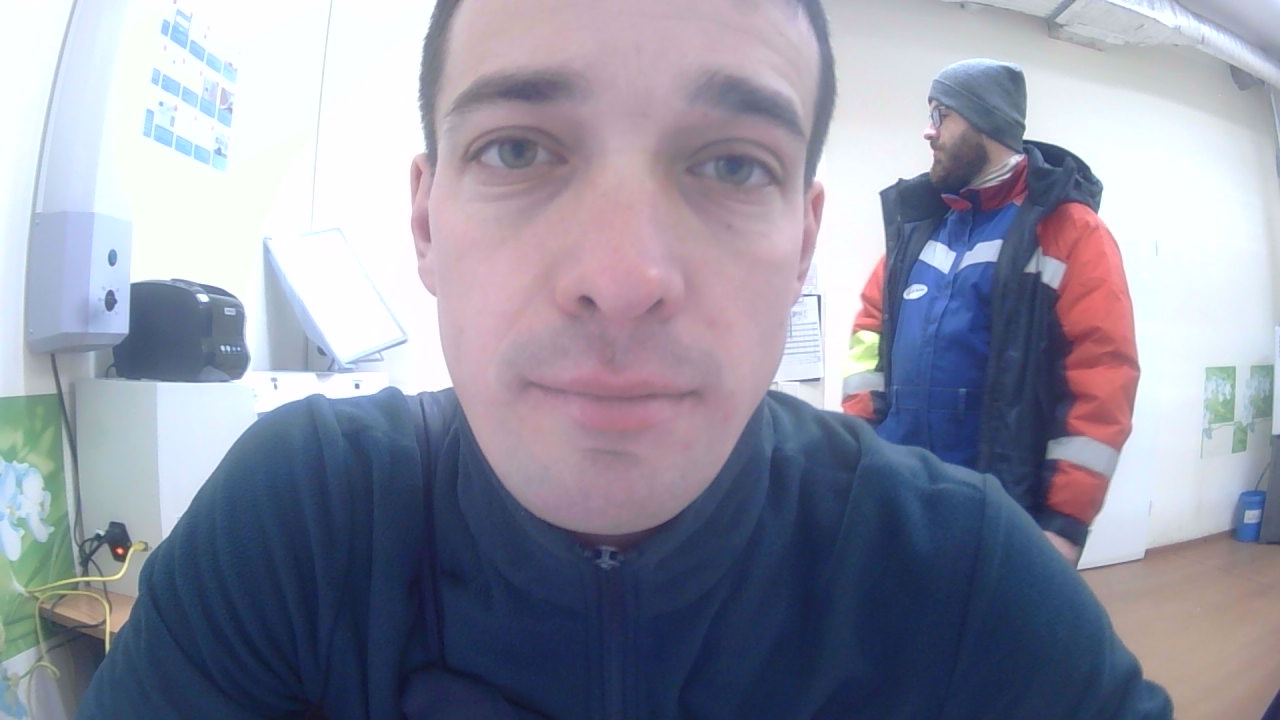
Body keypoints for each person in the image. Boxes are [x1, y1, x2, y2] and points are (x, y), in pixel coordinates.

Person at [79, 3, 1170, 718]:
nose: (622, 276)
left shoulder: (963, 576)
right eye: (517, 148)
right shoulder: (300, 522)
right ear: (425, 221)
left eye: (732, 165)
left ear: (801, 243)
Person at [841, 58, 1139, 566]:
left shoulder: (1069, 231)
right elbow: (869, 336)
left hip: (1003, 511)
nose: (928, 131)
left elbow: (1102, 375)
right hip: (898, 497)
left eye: (940, 115)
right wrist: (863, 445)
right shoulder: (919, 229)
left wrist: (1065, 521)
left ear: (985, 121)